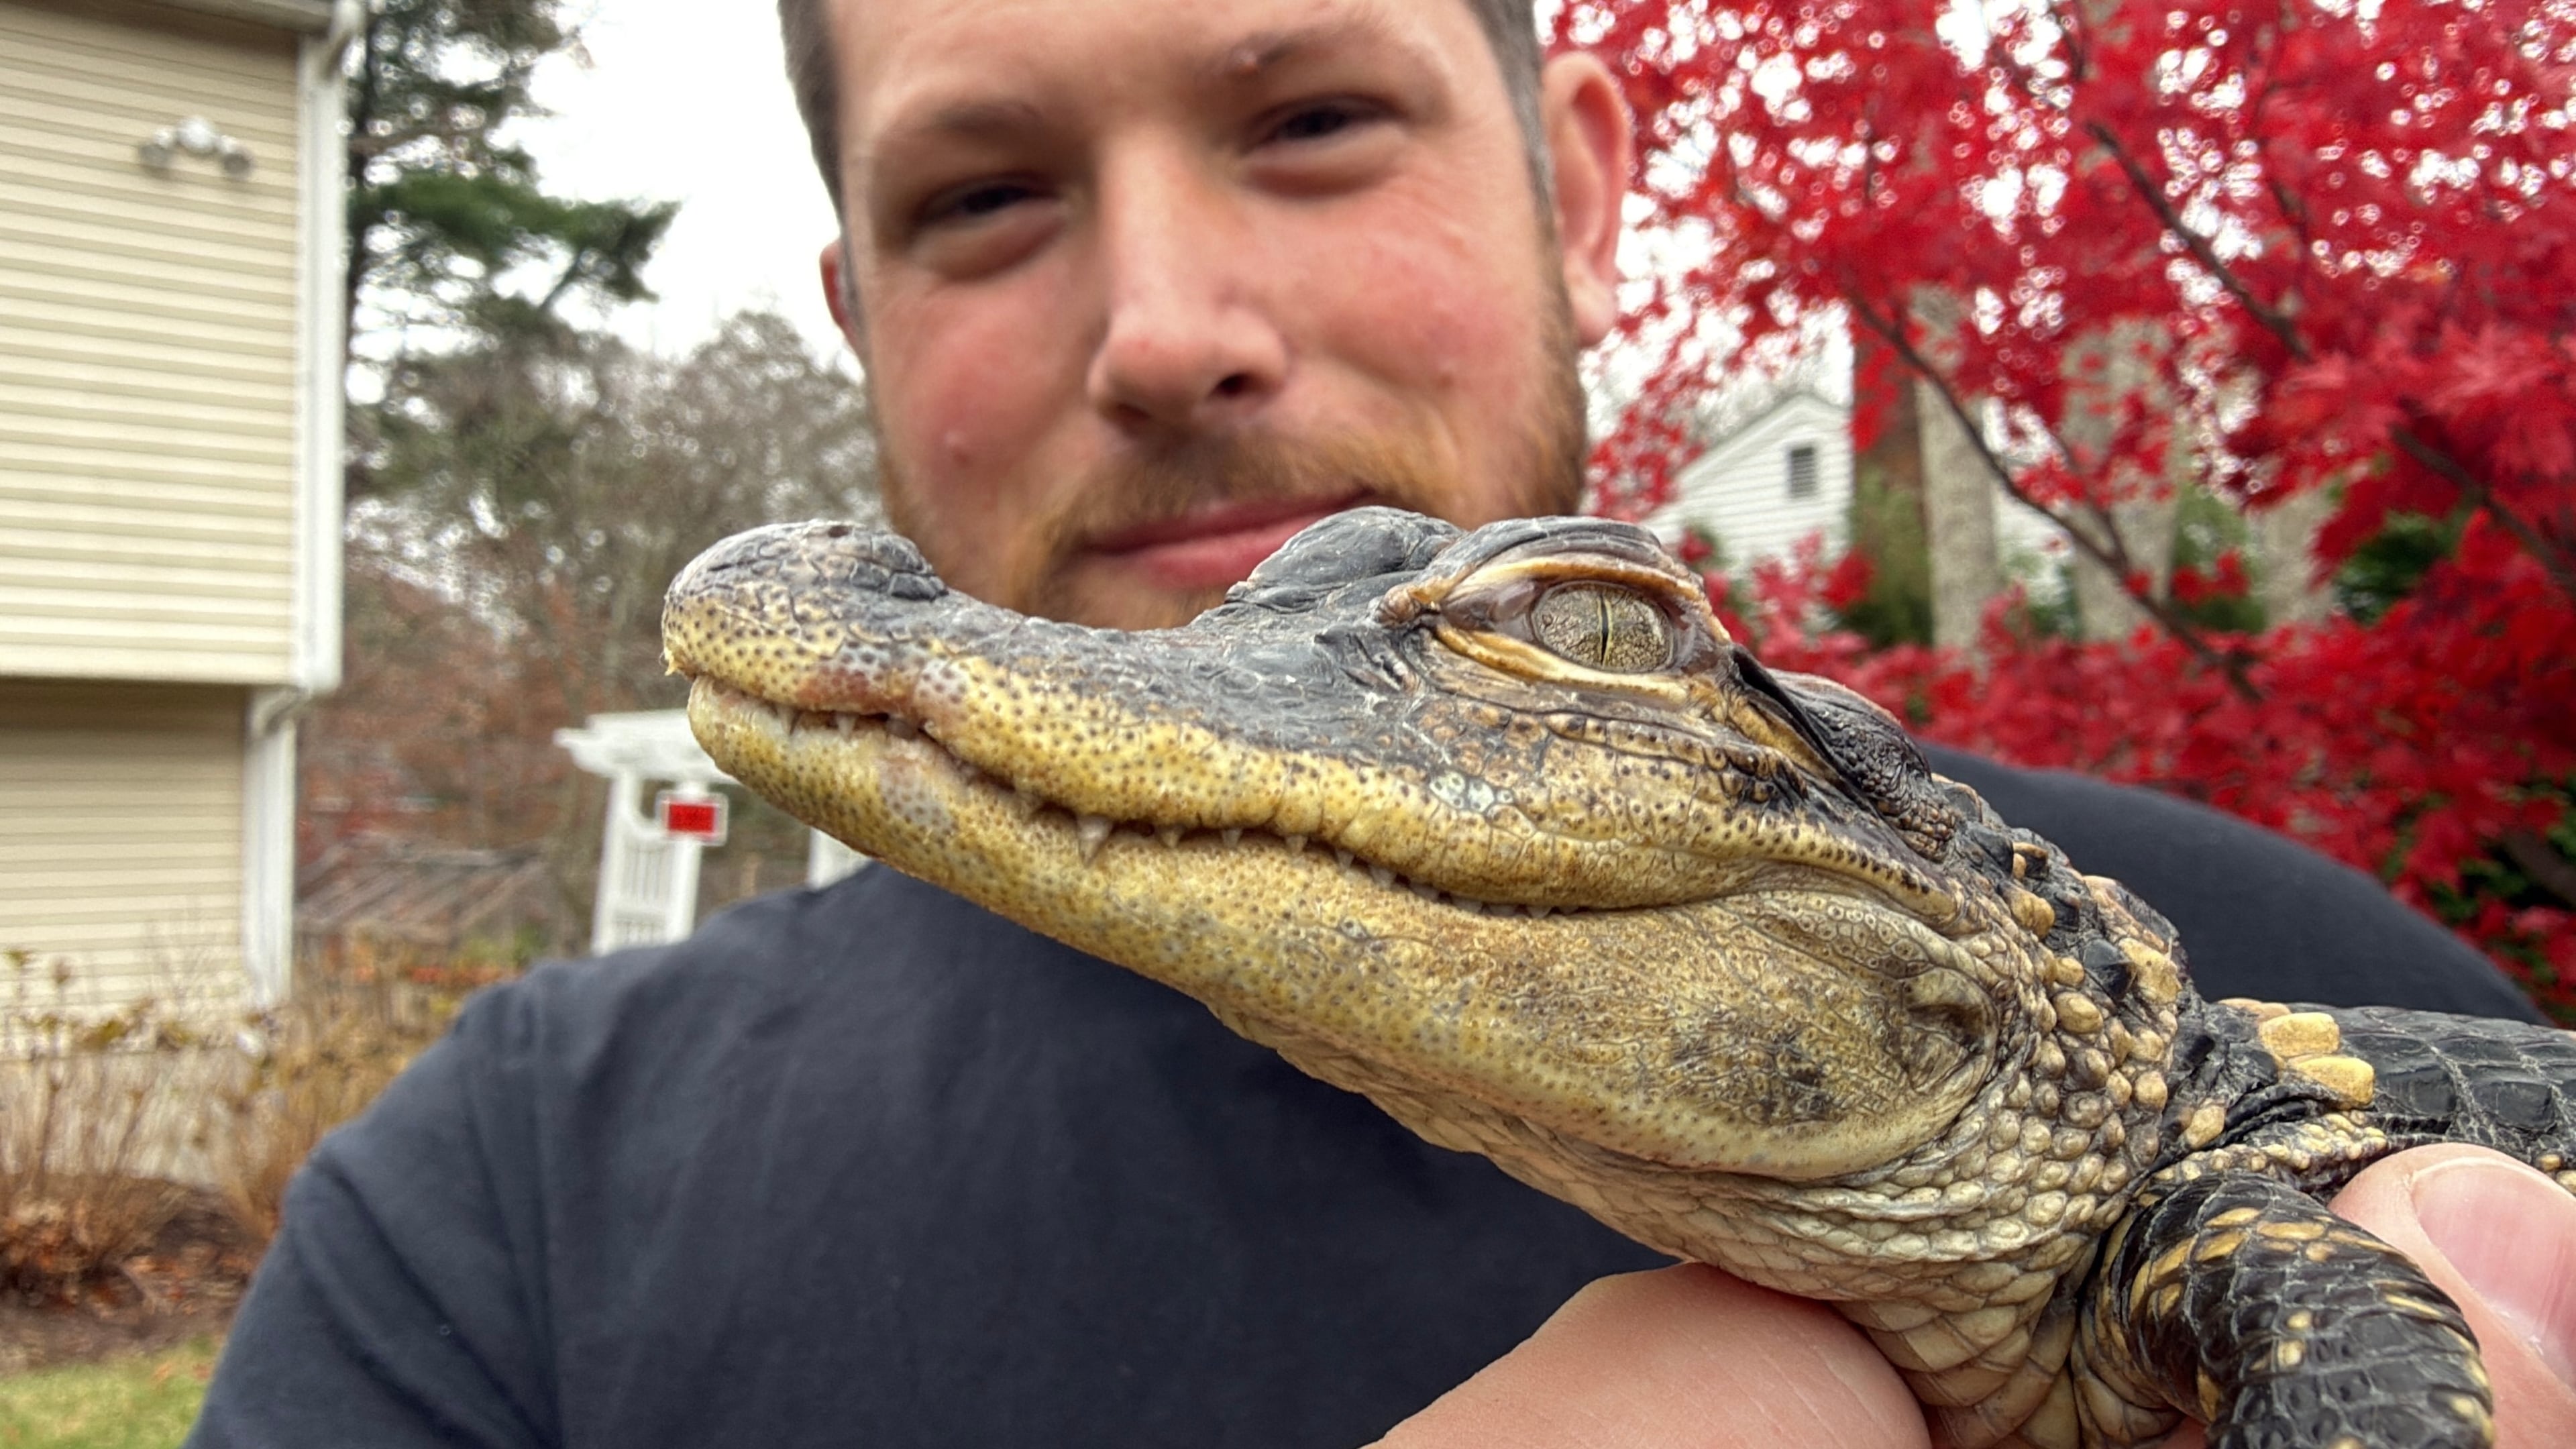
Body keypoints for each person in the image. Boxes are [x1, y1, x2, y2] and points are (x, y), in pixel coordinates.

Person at [188, 0, 2576, 1444]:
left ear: (1584, 187)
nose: (1167, 326)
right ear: (849, 304)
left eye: (1315, 115)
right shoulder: (490, 1216)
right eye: (986, 194)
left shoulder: (2356, 1091)